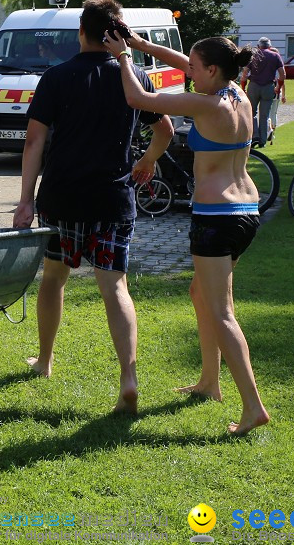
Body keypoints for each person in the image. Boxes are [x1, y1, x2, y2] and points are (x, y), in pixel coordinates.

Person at [104, 28, 271, 436]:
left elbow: (139, 99)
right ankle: (209, 383)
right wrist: (144, 46)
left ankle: (253, 408)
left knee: (222, 311)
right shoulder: (238, 94)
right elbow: (182, 61)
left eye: (195, 67)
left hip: (216, 217)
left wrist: (125, 57)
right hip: (246, 209)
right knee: (201, 293)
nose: (187, 71)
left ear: (213, 70)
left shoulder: (204, 103)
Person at [12, 0, 174, 416]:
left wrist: (25, 200)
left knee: (54, 279)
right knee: (114, 286)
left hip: (62, 199)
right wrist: (149, 159)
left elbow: (34, 141)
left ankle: (45, 361)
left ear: (80, 31)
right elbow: (167, 129)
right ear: (116, 34)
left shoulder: (56, 77)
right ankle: (129, 378)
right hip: (112, 199)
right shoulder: (134, 75)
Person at [238, 37, 282, 147]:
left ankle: (254, 136)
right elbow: (283, 74)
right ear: (270, 46)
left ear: (258, 46)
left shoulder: (254, 55)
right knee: (265, 115)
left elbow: (245, 74)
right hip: (268, 87)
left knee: (251, 112)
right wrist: (278, 87)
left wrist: (243, 87)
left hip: (254, 86)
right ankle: (262, 141)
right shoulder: (275, 56)